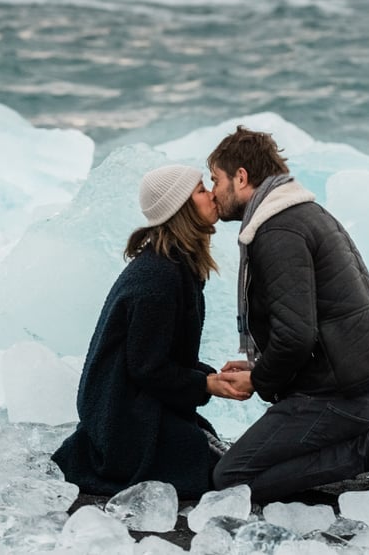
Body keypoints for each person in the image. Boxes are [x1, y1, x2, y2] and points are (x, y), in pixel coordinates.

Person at [207, 127, 369, 503]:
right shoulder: (301, 214)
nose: (213, 192)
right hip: (354, 382)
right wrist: (257, 368)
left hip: (349, 392)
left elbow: (296, 336)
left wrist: (257, 380)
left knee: (232, 480)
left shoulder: (278, 231)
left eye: (215, 180)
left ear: (241, 177)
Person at [52, 164, 249, 499]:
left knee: (224, 458)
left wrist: (210, 376)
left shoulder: (173, 265)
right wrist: (207, 384)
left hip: (141, 407)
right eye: (201, 190)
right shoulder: (158, 279)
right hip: (124, 420)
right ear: (181, 208)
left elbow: (160, 359)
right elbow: (147, 368)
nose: (212, 195)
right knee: (231, 475)